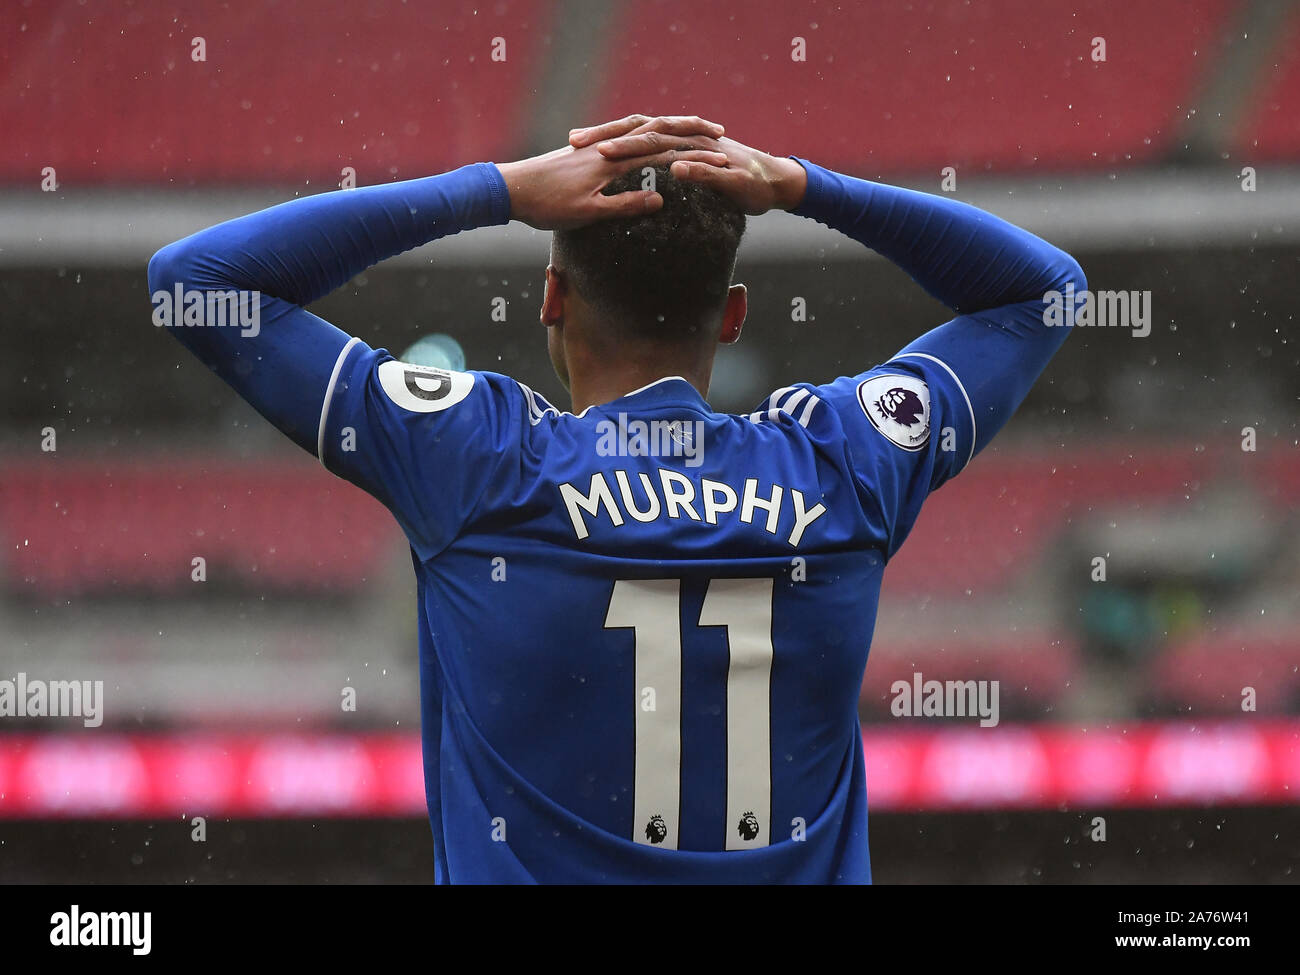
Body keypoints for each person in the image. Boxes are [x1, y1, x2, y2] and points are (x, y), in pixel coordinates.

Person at [148, 114, 1085, 883]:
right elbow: (1043, 293)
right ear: (733, 314)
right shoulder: (839, 467)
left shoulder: (479, 459)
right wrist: (802, 184)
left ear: (553, 299)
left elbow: (195, 283)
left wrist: (497, 189)